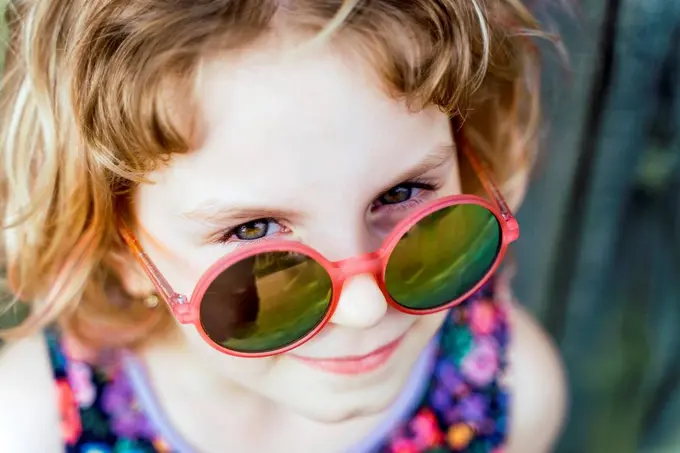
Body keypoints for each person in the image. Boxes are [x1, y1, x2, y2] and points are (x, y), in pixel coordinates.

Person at [0, 1, 566, 452]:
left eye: (402, 194)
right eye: (254, 233)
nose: (365, 307)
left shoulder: (511, 397)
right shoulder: (32, 428)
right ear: (121, 251)